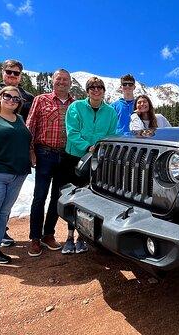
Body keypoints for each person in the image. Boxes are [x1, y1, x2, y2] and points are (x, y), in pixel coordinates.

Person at [62, 76, 119, 254]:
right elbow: (72, 132)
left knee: (91, 199)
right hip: (75, 158)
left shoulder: (110, 112)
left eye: (99, 87)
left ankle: (82, 238)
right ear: (87, 91)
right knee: (72, 197)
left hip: (97, 161)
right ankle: (69, 237)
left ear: (103, 91)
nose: (96, 90)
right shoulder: (76, 107)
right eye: (92, 87)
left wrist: (100, 149)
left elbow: (112, 134)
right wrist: (88, 147)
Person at [0, 59, 34, 247]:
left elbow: (29, 127)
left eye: (16, 73)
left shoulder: (26, 100)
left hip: (16, 166)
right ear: (3, 72)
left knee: (3, 210)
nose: (12, 75)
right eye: (9, 72)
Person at [26, 69, 74, 257]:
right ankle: (35, 238)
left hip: (65, 156)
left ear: (70, 83)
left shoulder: (75, 104)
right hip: (44, 153)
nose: (62, 82)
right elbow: (30, 125)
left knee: (57, 197)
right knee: (40, 196)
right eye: (58, 79)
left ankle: (48, 234)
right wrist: (31, 151)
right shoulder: (41, 99)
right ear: (52, 81)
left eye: (65, 80)